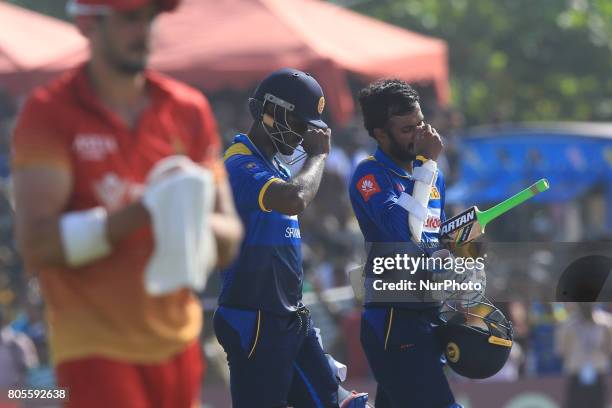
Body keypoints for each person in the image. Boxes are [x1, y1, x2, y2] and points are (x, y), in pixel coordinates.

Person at [10, 0, 243, 407]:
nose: (145, 30)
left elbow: (229, 239)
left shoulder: (189, 110)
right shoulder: (48, 113)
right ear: (87, 23)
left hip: (178, 341)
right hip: (93, 346)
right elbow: (37, 245)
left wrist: (186, 214)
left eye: (151, 17)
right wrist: (148, 210)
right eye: (129, 18)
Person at [214, 68, 367, 408]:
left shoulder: (276, 168)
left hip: (290, 317)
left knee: (343, 404)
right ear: (272, 111)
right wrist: (319, 156)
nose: (302, 137)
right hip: (255, 318)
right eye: (300, 124)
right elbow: (294, 198)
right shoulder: (239, 164)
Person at [348, 79, 463, 407]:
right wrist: (425, 166)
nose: (420, 135)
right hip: (393, 321)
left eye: (421, 124)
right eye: (407, 129)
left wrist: (457, 248)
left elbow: (430, 239)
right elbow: (403, 232)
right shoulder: (369, 176)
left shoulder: (433, 174)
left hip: (429, 313)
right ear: (380, 134)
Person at [556, 303, 612, 408]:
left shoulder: (606, 323)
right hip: (576, 374)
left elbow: (610, 349)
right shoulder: (567, 325)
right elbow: (562, 351)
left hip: (598, 373)